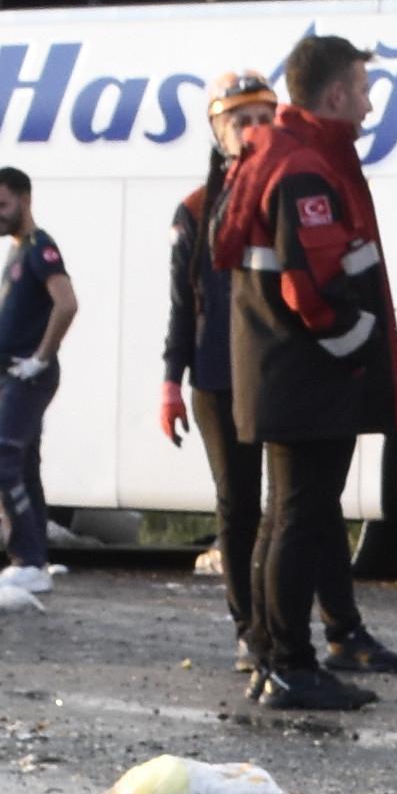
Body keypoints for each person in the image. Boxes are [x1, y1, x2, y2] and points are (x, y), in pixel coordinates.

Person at [217, 32, 397, 713]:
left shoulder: (277, 154)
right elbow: (312, 286)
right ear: (334, 94)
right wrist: (357, 342)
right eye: (362, 88)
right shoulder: (304, 167)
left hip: (282, 371)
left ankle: (275, 655)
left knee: (284, 516)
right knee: (298, 515)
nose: (368, 102)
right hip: (305, 374)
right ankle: (291, 664)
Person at [159, 70, 273, 631]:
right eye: (240, 121)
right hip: (216, 375)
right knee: (237, 502)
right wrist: (169, 384)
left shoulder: (288, 191)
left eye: (262, 118)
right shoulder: (197, 207)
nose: (253, 131)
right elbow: (184, 304)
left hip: (276, 372)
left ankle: (313, 620)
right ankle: (247, 625)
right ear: (217, 130)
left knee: (296, 507)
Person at [0, 164, 74, 579]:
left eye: (1, 204)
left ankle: (27, 559)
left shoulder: (40, 248)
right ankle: (37, 560)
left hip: (26, 376)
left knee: (1, 464)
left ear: (25, 200)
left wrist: (40, 358)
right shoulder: (19, 248)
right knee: (26, 466)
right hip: (10, 375)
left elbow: (66, 303)